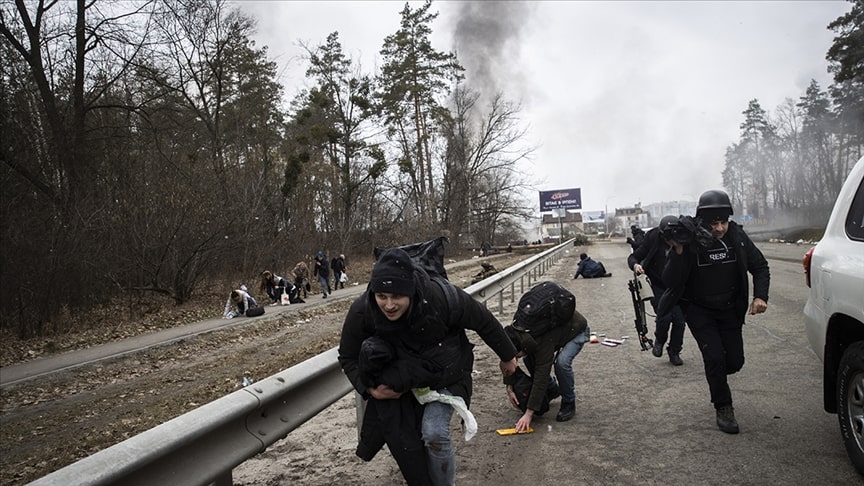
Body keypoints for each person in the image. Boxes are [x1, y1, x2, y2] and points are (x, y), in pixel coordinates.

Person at [338, 247, 518, 486]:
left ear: (411, 291)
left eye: (397, 297)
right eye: (382, 296)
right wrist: (369, 390)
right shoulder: (363, 310)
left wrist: (507, 356)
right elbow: (347, 356)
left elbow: (483, 320)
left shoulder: (442, 297)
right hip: (401, 379)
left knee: (433, 433)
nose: (389, 305)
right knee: (409, 449)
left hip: (446, 372)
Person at [661, 189, 770, 434]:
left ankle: (718, 374)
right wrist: (678, 253)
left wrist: (761, 296)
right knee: (714, 358)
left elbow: (760, 266)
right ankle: (723, 407)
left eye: (723, 222)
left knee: (734, 361)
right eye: (714, 223)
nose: (719, 228)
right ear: (702, 221)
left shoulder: (737, 236)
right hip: (700, 312)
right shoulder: (689, 241)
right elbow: (670, 280)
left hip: (731, 310)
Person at [503, 307, 591, 431]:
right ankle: (552, 389)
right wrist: (509, 387)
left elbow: (541, 376)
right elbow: (507, 361)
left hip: (577, 330)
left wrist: (528, 414)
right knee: (528, 359)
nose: (515, 359)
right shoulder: (515, 330)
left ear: (521, 348)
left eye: (516, 356)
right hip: (558, 332)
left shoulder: (542, 342)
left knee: (561, 363)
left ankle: (569, 402)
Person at [627, 215, 687, 366]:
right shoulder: (653, 238)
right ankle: (659, 340)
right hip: (656, 285)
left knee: (680, 321)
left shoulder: (685, 240)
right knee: (664, 316)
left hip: (677, 286)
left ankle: (674, 350)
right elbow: (634, 257)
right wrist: (636, 266)